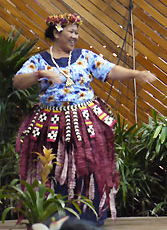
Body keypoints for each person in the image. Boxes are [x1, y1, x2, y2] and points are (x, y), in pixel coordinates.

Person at [13, 13, 157, 226]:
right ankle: (54, 220)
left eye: (76, 32)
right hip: (50, 124)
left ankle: (87, 219)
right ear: (56, 32)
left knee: (88, 166)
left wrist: (136, 74)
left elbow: (110, 70)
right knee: (51, 168)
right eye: (71, 31)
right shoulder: (38, 61)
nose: (75, 36)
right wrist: (40, 74)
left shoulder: (85, 56)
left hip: (84, 122)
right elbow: (17, 82)